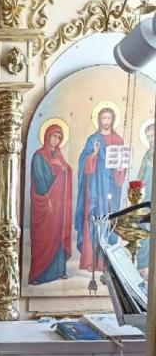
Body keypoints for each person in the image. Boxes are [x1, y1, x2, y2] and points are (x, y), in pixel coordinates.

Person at [75, 106, 125, 272]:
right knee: (93, 219)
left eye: (108, 118)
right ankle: (91, 260)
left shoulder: (118, 140)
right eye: (103, 118)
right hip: (95, 188)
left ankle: (107, 262)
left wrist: (120, 169)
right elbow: (83, 162)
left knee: (110, 220)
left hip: (110, 189)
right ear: (99, 120)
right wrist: (94, 154)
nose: (106, 121)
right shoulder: (93, 139)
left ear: (113, 120)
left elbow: (121, 166)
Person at [28, 123, 73, 285]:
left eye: (59, 137)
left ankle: (59, 270)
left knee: (58, 234)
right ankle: (39, 275)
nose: (56, 140)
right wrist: (48, 197)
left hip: (58, 207)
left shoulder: (59, 157)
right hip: (44, 203)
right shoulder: (38, 156)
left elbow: (68, 173)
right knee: (43, 238)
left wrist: (62, 168)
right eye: (54, 136)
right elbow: (39, 179)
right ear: (47, 136)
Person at [136, 121, 154, 273]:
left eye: (153, 135)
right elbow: (140, 178)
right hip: (148, 201)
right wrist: (133, 196)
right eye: (148, 137)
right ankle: (143, 267)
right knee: (144, 232)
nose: (151, 139)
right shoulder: (147, 155)